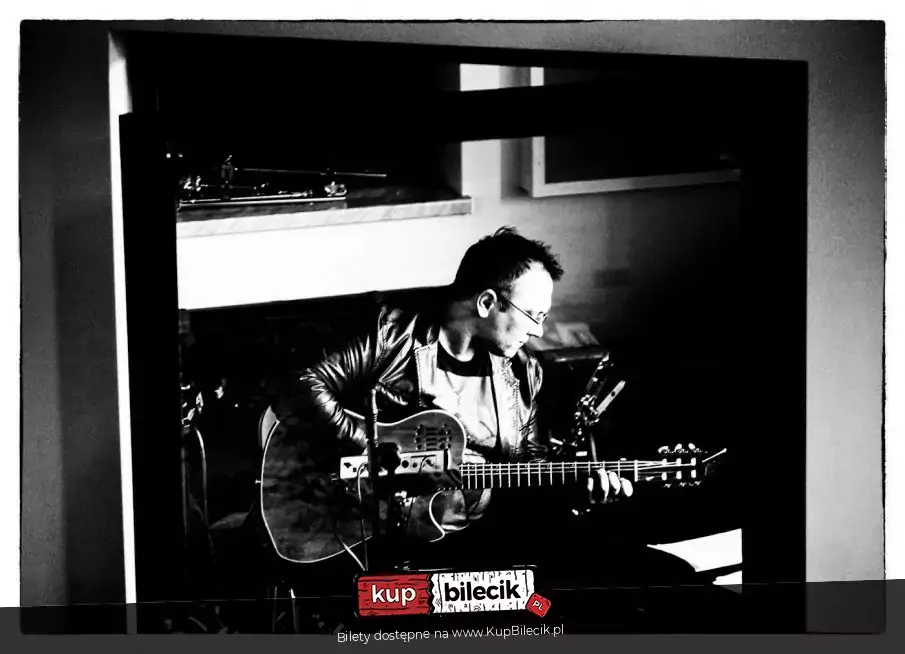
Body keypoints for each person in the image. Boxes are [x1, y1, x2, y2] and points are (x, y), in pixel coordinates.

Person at [265, 227, 706, 631]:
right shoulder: (391, 332)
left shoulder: (523, 373)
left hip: (471, 541)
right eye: (533, 315)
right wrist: (383, 454)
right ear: (486, 303)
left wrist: (577, 490)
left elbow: (528, 470)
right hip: (370, 534)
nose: (539, 331)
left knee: (646, 580)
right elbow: (299, 386)